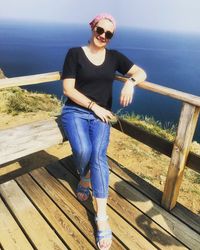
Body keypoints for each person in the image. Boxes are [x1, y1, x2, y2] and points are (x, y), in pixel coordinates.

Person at [61, 13, 147, 250]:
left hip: (102, 116)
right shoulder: (74, 53)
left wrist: (130, 82)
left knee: (98, 156)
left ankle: (101, 218)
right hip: (76, 112)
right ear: (92, 28)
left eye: (109, 34)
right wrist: (93, 106)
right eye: (100, 30)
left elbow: (141, 73)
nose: (103, 36)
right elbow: (68, 89)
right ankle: (85, 175)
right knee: (83, 150)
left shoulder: (114, 57)